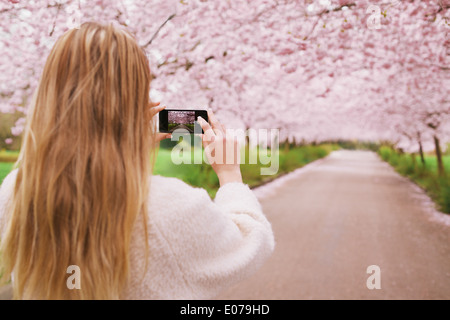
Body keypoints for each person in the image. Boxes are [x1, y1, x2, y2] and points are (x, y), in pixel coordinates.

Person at [0, 22, 274, 299]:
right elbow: (251, 243)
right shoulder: (168, 206)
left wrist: (125, 151)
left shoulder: (15, 192)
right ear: (133, 98)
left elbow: (87, 185)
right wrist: (229, 173)